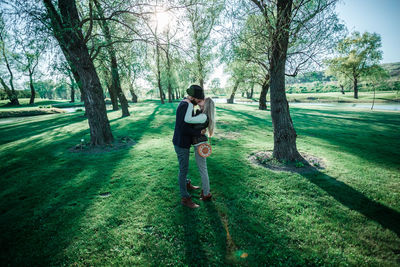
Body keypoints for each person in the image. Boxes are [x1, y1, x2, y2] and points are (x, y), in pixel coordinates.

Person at [172, 84, 205, 209]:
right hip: (181, 143)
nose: (198, 101)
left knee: (184, 167)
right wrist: (198, 132)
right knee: (183, 169)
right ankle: (185, 197)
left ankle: (186, 184)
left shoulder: (187, 104)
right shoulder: (186, 105)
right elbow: (184, 127)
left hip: (182, 141)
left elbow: (188, 122)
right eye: (198, 99)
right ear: (194, 97)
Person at [182, 97, 215, 201]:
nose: (200, 101)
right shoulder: (202, 114)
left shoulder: (203, 116)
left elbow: (189, 121)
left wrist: (190, 104)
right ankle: (206, 191)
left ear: (207, 104)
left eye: (202, 100)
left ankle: (206, 193)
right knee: (203, 169)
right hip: (199, 143)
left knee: (203, 170)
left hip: (200, 144)